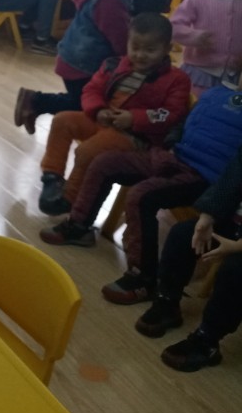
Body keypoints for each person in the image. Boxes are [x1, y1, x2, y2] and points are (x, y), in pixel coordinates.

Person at [39, 79, 242, 304]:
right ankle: (79, 226)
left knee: (141, 196)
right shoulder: (215, 93)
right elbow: (183, 123)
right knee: (105, 162)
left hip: (206, 178)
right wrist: (171, 143)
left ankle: (143, 277)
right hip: (172, 157)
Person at [38, 13, 191, 216]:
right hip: (105, 121)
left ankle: (69, 198)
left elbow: (171, 114)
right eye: (135, 47)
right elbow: (91, 90)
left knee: (87, 151)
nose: (140, 55)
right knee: (62, 120)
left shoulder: (177, 79)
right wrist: (98, 109)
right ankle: (52, 176)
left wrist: (134, 118)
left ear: (167, 49)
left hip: (135, 136)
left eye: (150, 50)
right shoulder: (114, 64)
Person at [14, 0, 134, 134]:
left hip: (74, 57)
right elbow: (119, 39)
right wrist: (132, 61)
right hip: (83, 64)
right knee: (87, 105)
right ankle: (36, 101)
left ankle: (34, 102)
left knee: (82, 100)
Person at [134, 144, 242, 372]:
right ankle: (168, 302)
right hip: (234, 223)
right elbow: (230, 179)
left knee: (235, 271)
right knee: (183, 235)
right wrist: (208, 216)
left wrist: (237, 246)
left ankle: (208, 340)